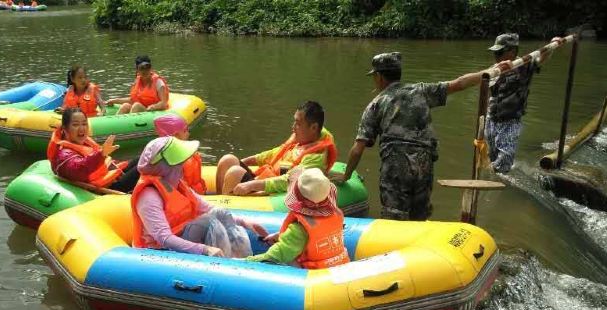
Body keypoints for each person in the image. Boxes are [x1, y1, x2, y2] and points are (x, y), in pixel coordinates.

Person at [337, 52, 484, 221]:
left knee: (394, 218)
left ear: (379, 77)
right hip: (424, 163)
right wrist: (491, 71)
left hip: (396, 166)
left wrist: (346, 175)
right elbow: (459, 83)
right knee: (419, 216)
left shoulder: (376, 104)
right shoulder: (421, 91)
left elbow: (358, 148)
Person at [132, 136, 267, 258]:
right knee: (208, 223)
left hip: (181, 236)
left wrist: (245, 223)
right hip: (158, 250)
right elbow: (163, 238)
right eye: (180, 163)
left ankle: (241, 259)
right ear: (168, 168)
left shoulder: (178, 185)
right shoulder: (149, 196)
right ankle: (228, 264)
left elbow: (209, 209)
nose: (184, 166)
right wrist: (204, 249)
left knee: (220, 213)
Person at [216, 101, 336, 196]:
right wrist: (243, 161)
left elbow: (289, 181)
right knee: (228, 160)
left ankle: (223, 213)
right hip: (264, 178)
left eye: (298, 123)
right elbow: (273, 154)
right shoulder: (301, 140)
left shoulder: (315, 157)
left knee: (234, 172)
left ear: (314, 128)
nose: (293, 127)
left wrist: (252, 185)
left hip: (270, 191)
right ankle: (218, 202)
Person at [484, 33, 561, 173]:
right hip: (492, 118)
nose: (496, 56)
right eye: (495, 53)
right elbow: (489, 93)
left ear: (512, 51)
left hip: (510, 119)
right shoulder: (495, 68)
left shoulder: (524, 65)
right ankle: (495, 174)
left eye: (500, 52)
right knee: (492, 155)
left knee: (505, 156)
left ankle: (495, 179)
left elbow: (541, 58)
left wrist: (552, 45)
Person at [246, 167, 349, 268]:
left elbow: (275, 256)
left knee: (281, 261)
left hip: (313, 276)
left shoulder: (299, 229)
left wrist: (247, 261)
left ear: (298, 198)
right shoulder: (335, 214)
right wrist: (280, 235)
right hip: (339, 265)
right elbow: (315, 236)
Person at [48, 107, 139, 193]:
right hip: (109, 187)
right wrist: (101, 154)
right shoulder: (64, 154)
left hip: (110, 176)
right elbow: (79, 170)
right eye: (75, 125)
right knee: (141, 167)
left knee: (140, 159)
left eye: (84, 124)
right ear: (65, 128)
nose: (82, 128)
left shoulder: (84, 143)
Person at [153, 113, 205, 194]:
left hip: (197, 193)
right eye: (185, 131)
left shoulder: (188, 152)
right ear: (176, 135)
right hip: (187, 197)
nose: (188, 133)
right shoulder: (170, 161)